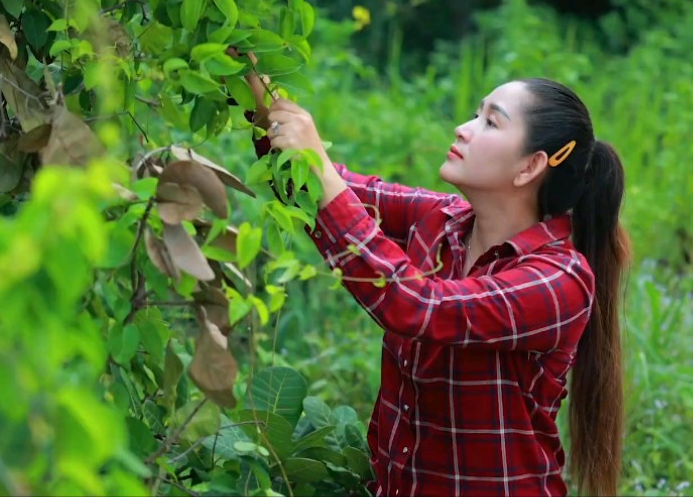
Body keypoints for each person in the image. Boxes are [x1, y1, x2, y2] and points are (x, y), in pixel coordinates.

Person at [240, 59, 630, 497]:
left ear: (530, 167)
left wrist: (320, 169)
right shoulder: (441, 219)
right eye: (475, 114)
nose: (464, 128)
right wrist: (259, 100)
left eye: (490, 123)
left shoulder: (559, 280)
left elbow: (419, 305)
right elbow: (318, 190)